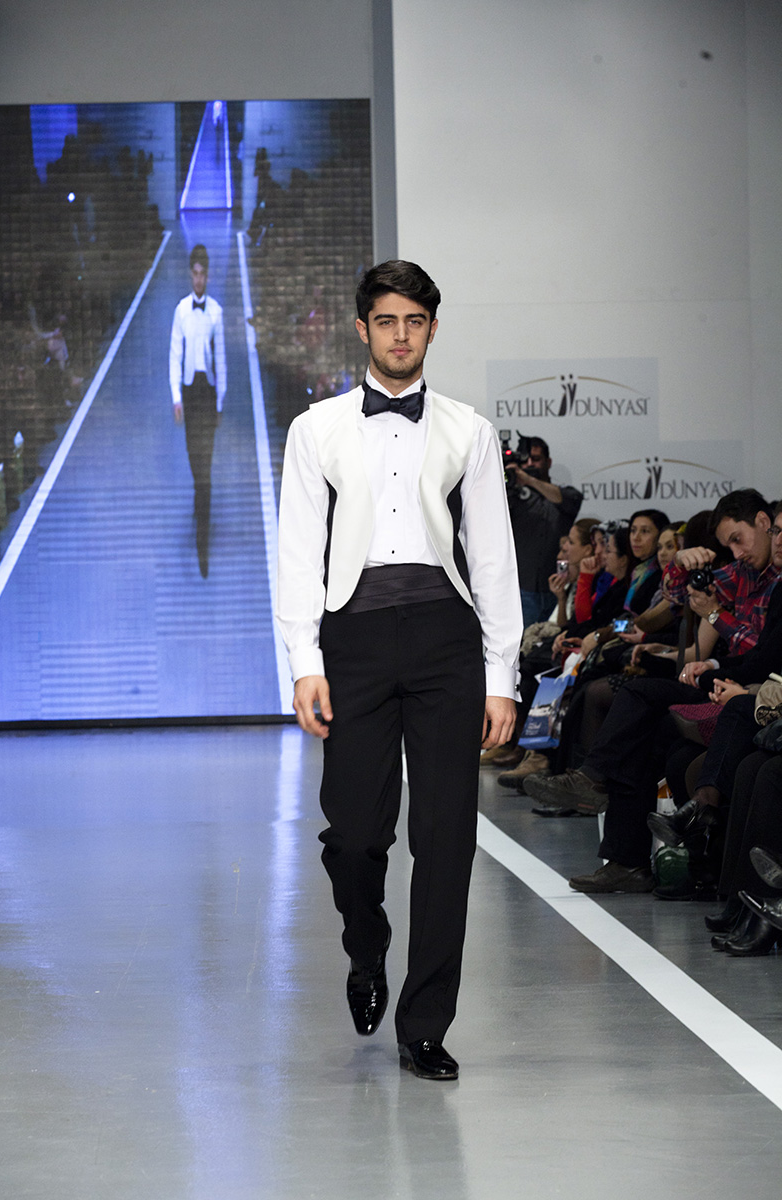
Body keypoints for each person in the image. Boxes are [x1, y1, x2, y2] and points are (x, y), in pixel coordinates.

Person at [275, 260, 522, 1081]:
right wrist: (305, 661)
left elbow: (493, 558)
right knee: (353, 835)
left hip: (446, 639)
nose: (401, 335)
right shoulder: (315, 429)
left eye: (415, 321)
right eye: (387, 320)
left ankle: (424, 1027)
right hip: (353, 638)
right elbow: (298, 555)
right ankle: (367, 942)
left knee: (447, 838)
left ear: (433, 329)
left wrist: (501, 677)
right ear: (363, 330)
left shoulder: (468, 430)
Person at [523, 489, 781, 890]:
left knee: (623, 695)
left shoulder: (767, 582)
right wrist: (678, 564)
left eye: (658, 539)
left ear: (762, 523)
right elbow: (662, 603)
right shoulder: (727, 573)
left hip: (746, 688)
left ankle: (588, 778)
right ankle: (620, 848)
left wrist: (707, 621)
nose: (646, 544)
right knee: (633, 720)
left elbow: (761, 653)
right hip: (717, 676)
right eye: (639, 535)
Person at [169, 243, 226, 578]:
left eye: (203, 274)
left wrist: (220, 402)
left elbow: (221, 359)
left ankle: (202, 546)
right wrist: (176, 396)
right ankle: (199, 500)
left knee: (205, 470)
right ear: (190, 275)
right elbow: (174, 354)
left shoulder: (216, 312)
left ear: (208, 276)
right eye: (195, 273)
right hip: (190, 395)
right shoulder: (181, 311)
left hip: (208, 394)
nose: (199, 279)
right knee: (196, 462)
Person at [506, 436, 581, 626]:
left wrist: (529, 480)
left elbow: (572, 500)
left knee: (556, 640)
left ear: (548, 462)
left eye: (536, 459)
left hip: (559, 588)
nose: (530, 464)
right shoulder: (513, 497)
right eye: (526, 460)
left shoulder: (564, 494)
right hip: (522, 590)